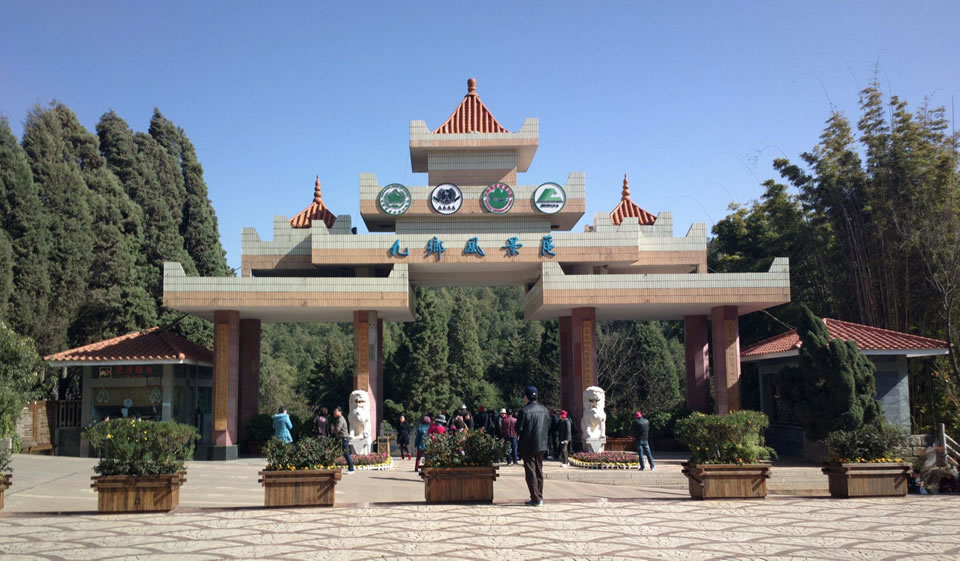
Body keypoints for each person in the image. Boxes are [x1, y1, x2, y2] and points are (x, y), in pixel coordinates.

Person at [516, 385, 550, 506]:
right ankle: (539, 496)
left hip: (528, 444)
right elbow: (548, 426)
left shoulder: (524, 411)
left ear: (527, 397)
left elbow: (518, 428)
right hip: (542, 444)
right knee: (539, 470)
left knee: (530, 472)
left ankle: (535, 498)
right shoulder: (545, 410)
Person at [332, 406, 355, 473]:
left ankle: (351, 469)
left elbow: (337, 429)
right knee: (345, 454)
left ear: (340, 412)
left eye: (336, 411)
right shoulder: (339, 419)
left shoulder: (341, 419)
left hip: (344, 439)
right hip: (343, 439)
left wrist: (332, 429)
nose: (334, 412)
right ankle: (350, 468)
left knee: (346, 454)